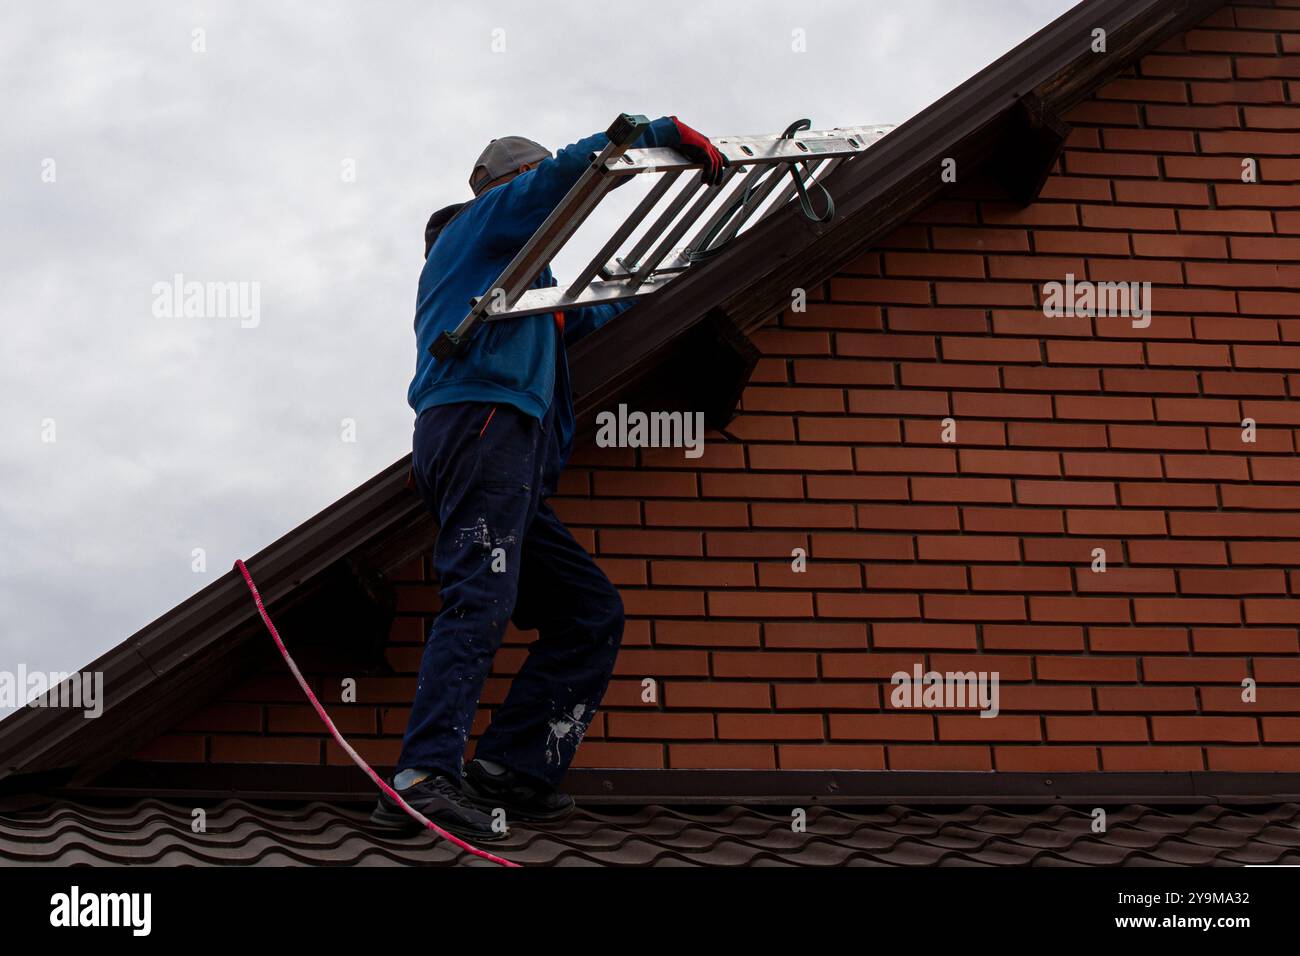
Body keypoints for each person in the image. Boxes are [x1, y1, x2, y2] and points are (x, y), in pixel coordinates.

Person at [371, 116, 726, 840]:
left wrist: (699, 266)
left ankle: (511, 768)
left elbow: (597, 318)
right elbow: (559, 178)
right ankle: (420, 777)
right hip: (479, 428)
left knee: (589, 611)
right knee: (482, 594)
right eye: (530, 190)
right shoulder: (477, 232)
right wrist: (655, 132)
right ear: (506, 188)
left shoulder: (533, 291)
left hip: (512, 456)